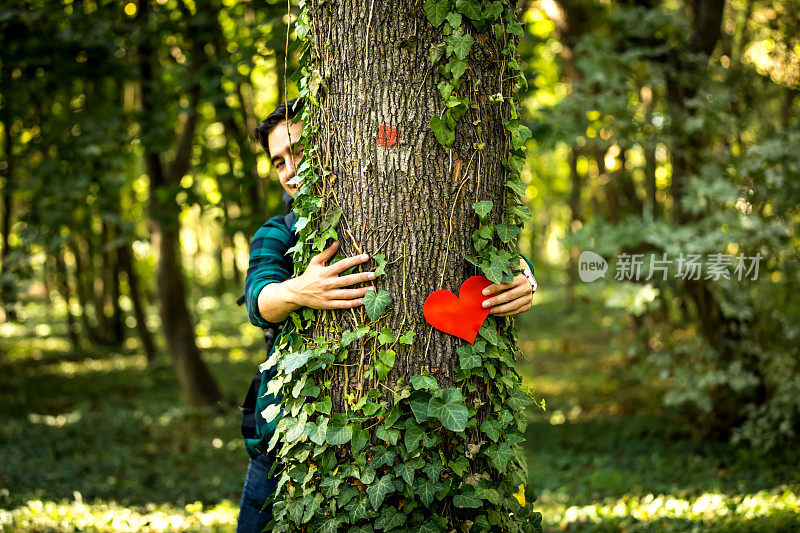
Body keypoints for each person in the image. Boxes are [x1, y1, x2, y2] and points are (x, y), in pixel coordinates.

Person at [236, 98, 538, 531]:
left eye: (299, 151)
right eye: (278, 161)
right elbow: (258, 299)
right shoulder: (278, 233)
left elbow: (476, 250)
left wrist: (525, 274)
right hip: (282, 448)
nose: (289, 171)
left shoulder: (394, 206)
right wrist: (297, 290)